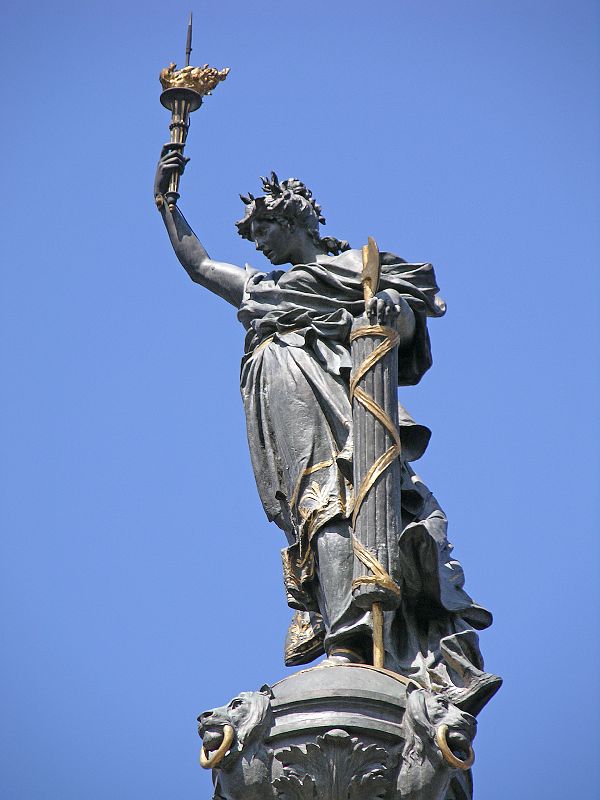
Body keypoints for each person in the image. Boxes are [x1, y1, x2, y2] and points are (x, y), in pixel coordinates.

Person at [154, 150, 501, 715]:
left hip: (346, 403)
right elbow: (199, 266)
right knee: (319, 510)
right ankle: (346, 635)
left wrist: (392, 306)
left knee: (351, 504)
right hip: (285, 407)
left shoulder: (356, 268)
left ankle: (360, 638)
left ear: (296, 219)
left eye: (264, 227)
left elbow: (404, 316)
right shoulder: (263, 287)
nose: (258, 242)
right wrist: (166, 203)